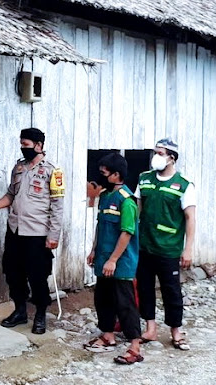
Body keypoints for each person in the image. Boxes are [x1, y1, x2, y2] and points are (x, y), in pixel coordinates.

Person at [0, 127, 65, 334]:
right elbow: (11, 194)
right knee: (13, 272)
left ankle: (40, 315)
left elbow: (58, 206)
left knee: (37, 275)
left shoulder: (53, 171)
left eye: (26, 145)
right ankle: (20, 311)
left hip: (37, 234)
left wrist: (53, 236)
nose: (22, 148)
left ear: (39, 146)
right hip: (15, 230)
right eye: (21, 145)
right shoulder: (19, 168)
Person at [135, 138, 196, 351]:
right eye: (155, 152)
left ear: (172, 157)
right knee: (145, 288)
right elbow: (137, 211)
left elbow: (190, 218)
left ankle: (176, 331)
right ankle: (150, 329)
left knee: (171, 290)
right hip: (145, 245)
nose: (156, 157)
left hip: (169, 248)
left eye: (160, 153)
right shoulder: (144, 180)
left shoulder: (184, 185)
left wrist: (187, 249)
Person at [85, 153, 142, 364]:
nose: (99, 176)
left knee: (124, 302)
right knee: (103, 298)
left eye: (103, 173)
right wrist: (93, 250)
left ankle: (135, 346)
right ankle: (107, 335)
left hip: (120, 261)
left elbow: (126, 232)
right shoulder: (106, 196)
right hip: (103, 258)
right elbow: (101, 226)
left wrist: (113, 260)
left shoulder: (126, 201)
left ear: (116, 175)